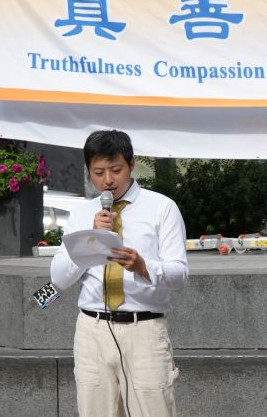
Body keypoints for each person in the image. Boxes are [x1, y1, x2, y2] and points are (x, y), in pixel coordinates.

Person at [51, 130, 188, 417]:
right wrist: (89, 240)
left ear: (131, 164)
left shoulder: (162, 208)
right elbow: (60, 279)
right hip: (92, 330)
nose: (108, 180)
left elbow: (179, 275)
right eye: (98, 172)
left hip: (144, 330)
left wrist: (144, 266)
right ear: (88, 170)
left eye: (116, 170)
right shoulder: (81, 214)